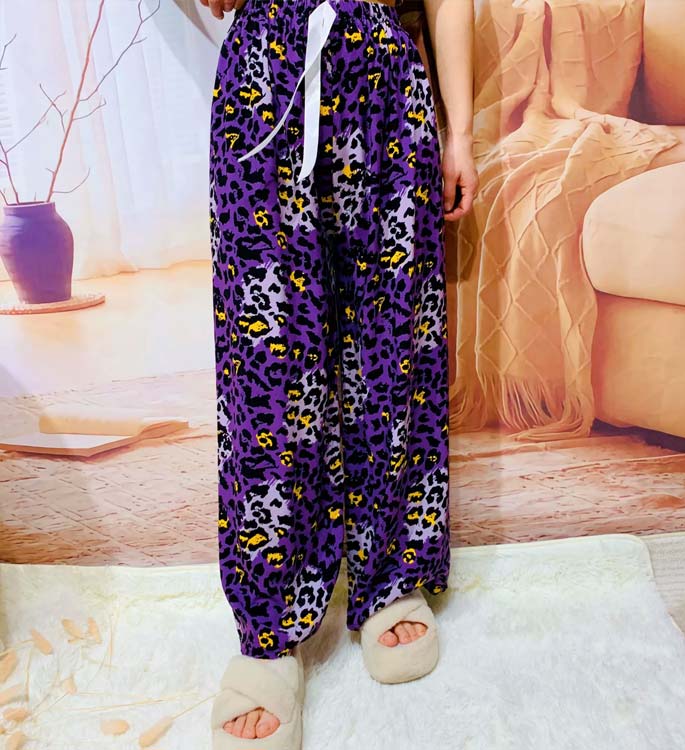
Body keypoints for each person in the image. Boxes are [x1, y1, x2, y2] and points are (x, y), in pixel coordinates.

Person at [202, 0, 477, 746]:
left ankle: (390, 574)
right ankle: (269, 630)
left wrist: (460, 132)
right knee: (266, 363)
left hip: (384, 77)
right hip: (263, 77)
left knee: (393, 344)